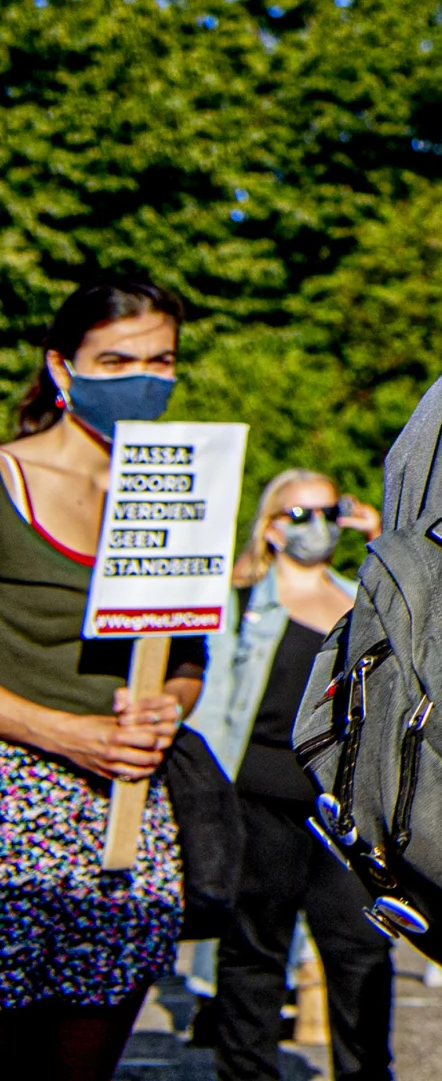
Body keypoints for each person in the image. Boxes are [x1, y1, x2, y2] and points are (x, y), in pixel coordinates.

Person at [0, 279, 203, 1081]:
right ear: (61, 367)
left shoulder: (175, 489)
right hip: (15, 806)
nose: (141, 378)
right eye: (115, 360)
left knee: (86, 1056)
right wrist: (60, 732)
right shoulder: (6, 479)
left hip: (126, 814)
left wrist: (166, 712)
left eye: (161, 360)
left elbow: (189, 659)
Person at [187, 469, 389, 1081]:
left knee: (361, 951)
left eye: (331, 511)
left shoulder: (365, 600)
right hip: (255, 801)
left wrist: (381, 544)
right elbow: (213, 705)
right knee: (254, 950)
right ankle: (246, 1073)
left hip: (342, 810)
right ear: (273, 528)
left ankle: (367, 1074)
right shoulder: (241, 602)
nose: (320, 526)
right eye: (302, 515)